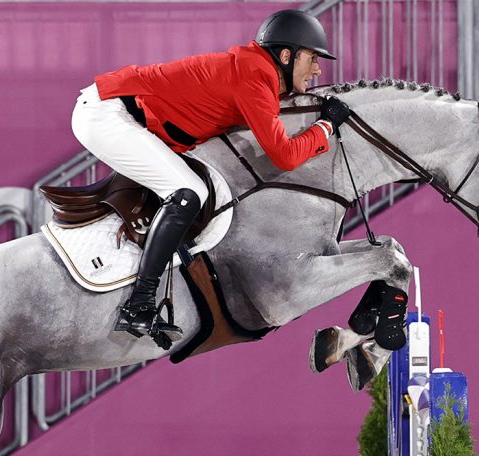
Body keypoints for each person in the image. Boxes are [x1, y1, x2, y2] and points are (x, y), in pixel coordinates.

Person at [72, 9, 351, 343]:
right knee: (188, 193)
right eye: (312, 58)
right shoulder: (254, 76)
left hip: (121, 113)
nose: (318, 68)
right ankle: (139, 304)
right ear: (287, 56)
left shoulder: (257, 72)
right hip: (107, 114)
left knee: (193, 188)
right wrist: (325, 127)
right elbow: (285, 155)